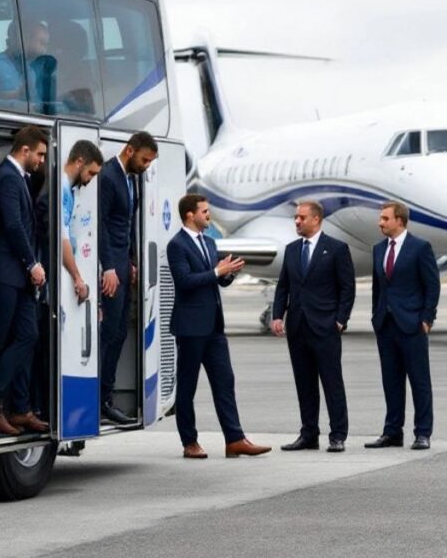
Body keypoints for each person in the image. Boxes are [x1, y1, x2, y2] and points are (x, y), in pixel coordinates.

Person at [167, 193, 270, 459]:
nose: (208, 215)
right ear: (190, 214)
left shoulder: (211, 242)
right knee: (187, 386)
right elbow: (185, 281)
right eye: (204, 211)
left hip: (214, 327)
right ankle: (189, 441)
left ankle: (235, 439)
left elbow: (217, 281)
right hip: (190, 327)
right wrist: (216, 272)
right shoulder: (177, 245)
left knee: (225, 381)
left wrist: (229, 273)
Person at [271, 201, 356, 452]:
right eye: (295, 217)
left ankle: (338, 435)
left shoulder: (337, 249)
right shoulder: (292, 249)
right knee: (304, 384)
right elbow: (283, 286)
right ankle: (309, 434)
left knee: (332, 383)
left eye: (302, 217)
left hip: (326, 327)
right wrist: (278, 315)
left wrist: (341, 319)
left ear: (316, 219)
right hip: (298, 327)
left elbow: (347, 288)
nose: (297, 221)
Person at [365, 201, 440, 450]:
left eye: (385, 219)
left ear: (400, 220)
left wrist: (427, 319)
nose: (380, 223)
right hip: (386, 326)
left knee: (419, 382)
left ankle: (422, 433)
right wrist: (376, 317)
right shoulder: (378, 250)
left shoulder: (420, 248)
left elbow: (432, 286)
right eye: (381, 218)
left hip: (412, 325)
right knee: (391, 381)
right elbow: (378, 288)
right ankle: (392, 432)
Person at [98, 131, 158, 424]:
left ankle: (105, 395)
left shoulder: (131, 179)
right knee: (108, 332)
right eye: (145, 159)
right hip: (111, 267)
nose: (146, 165)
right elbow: (102, 225)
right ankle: (99, 398)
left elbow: (128, 226)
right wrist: (108, 266)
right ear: (130, 150)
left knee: (120, 331)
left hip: (124, 264)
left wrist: (132, 261)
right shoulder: (109, 177)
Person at [0, 125, 49, 436]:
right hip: (11, 274)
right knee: (3, 341)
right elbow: (13, 225)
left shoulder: (21, 178)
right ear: (24, 151)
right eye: (39, 154)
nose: (42, 160)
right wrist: (33, 264)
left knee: (29, 336)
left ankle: (20, 408)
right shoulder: (7, 177)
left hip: (22, 279)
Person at [61, 140, 104, 302]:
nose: (90, 179)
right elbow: (62, 236)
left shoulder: (71, 190)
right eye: (91, 173)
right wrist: (77, 277)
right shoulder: (63, 189)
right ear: (79, 162)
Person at [0, 20, 49, 102]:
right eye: (42, 43)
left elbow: (38, 105)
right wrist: (18, 94)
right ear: (25, 39)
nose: (44, 50)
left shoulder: (30, 71)